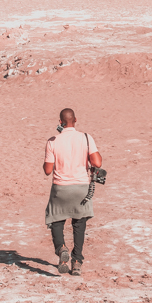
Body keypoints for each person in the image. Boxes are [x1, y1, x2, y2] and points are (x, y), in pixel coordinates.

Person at [43, 108, 102, 276]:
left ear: (60, 122)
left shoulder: (53, 141)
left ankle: (61, 248)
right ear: (75, 120)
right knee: (79, 224)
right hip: (81, 188)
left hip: (60, 188)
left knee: (55, 220)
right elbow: (97, 162)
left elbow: (48, 170)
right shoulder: (86, 137)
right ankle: (76, 262)